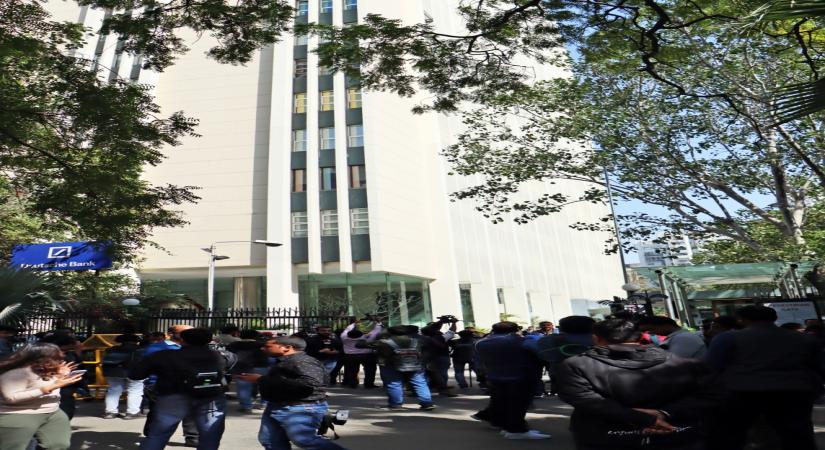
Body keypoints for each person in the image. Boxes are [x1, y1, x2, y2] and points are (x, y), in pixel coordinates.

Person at [556, 318, 721, 450]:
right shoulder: (684, 362)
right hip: (676, 432)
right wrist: (663, 413)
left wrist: (642, 418)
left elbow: (584, 399)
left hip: (607, 436)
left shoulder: (575, 364)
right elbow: (711, 395)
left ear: (595, 338)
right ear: (641, 337)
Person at [706, 305, 823, 450]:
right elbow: (818, 367)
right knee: (798, 434)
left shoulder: (727, 338)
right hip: (795, 391)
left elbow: (712, 367)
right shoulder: (804, 339)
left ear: (742, 320)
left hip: (742, 392)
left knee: (734, 434)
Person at [235, 336, 347, 450]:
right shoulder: (286, 361)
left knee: (304, 440)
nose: (263, 349)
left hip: (300, 407)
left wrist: (261, 379)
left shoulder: (302, 361)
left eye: (268, 346)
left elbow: (310, 384)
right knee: (269, 440)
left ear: (287, 347)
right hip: (277, 405)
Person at [130, 328, 227, 450]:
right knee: (211, 435)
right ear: (209, 340)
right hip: (211, 396)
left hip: (172, 396)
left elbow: (135, 375)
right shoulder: (220, 357)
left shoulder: (164, 356)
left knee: (158, 435)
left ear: (182, 340)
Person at [473, 321, 550, 440]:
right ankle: (516, 430)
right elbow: (541, 353)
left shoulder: (481, 343)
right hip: (522, 376)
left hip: (495, 376)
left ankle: (505, 425)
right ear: (515, 330)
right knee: (518, 405)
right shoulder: (523, 341)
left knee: (502, 402)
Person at [0, 342, 83, 450]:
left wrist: (60, 377)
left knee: (58, 445)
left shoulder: (49, 370)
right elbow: (11, 398)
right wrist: (50, 387)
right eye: (57, 355)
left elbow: (49, 387)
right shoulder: (16, 373)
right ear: (43, 358)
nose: (62, 357)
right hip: (19, 414)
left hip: (52, 413)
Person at [141, 325, 201, 447]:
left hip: (188, 385)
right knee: (158, 412)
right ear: (173, 334)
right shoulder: (156, 348)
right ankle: (151, 435)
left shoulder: (193, 348)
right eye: (188, 332)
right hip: (160, 385)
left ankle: (192, 437)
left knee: (191, 411)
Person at [361, 325, 434, 410]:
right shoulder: (418, 340)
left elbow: (360, 344)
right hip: (415, 365)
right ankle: (427, 403)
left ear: (390, 332)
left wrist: (364, 337)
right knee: (420, 383)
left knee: (394, 384)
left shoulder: (384, 342)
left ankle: (396, 404)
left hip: (391, 365)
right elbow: (430, 345)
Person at [536, 315, 595, 395]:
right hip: (597, 375)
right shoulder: (599, 338)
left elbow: (544, 355)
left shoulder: (550, 339)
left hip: (565, 377)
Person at [101, 334, 145, 419]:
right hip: (133, 372)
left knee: (113, 391)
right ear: (136, 341)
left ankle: (110, 412)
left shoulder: (111, 349)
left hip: (113, 372)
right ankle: (132, 413)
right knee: (135, 391)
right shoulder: (139, 349)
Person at [226, 330, 270, 412]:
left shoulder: (233, 345)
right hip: (261, 366)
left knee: (243, 388)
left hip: (241, 368)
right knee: (264, 386)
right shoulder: (262, 344)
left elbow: (229, 357)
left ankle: (246, 406)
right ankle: (264, 403)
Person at [340, 318, 383, 388]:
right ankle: (368, 384)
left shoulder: (344, 337)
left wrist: (354, 323)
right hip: (366, 355)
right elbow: (376, 331)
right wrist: (378, 324)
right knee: (370, 370)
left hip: (350, 356)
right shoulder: (367, 337)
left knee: (352, 370)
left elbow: (347, 329)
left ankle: (352, 384)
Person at [637, 316, 707, 359]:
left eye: (651, 329)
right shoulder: (679, 336)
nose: (649, 333)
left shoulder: (684, 338)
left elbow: (673, 361)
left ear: (666, 325)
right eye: (645, 331)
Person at [420, 317, 458, 396]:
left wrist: (441, 321)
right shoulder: (441, 337)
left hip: (428, 358)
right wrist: (453, 323)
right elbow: (451, 332)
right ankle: (443, 389)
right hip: (442, 357)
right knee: (442, 374)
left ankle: (426, 390)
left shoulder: (421, 338)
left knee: (428, 374)